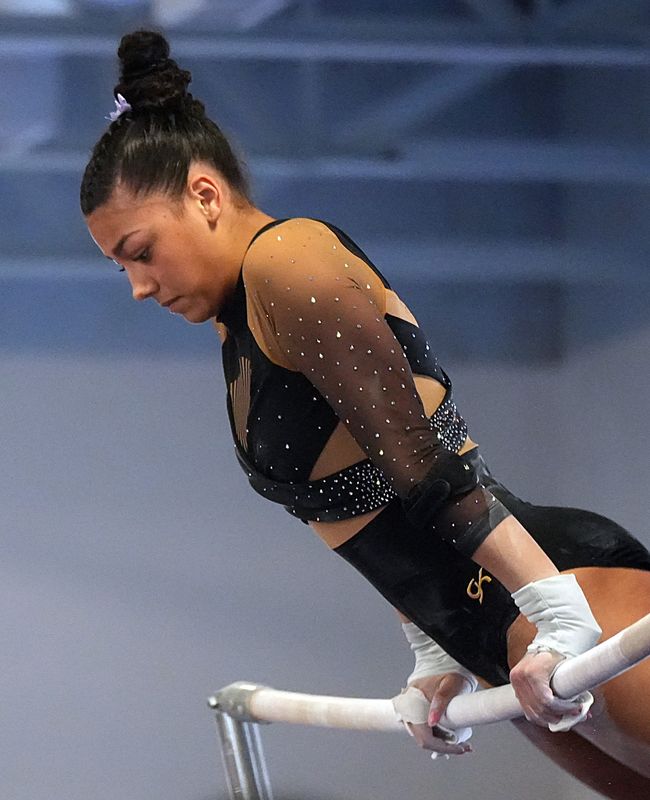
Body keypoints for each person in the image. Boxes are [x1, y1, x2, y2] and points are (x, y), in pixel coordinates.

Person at [81, 29, 650, 795]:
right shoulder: (236, 322)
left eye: (141, 251)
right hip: (487, 626)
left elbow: (419, 462)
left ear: (205, 196)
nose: (138, 287)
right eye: (120, 267)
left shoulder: (290, 263)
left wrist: (558, 609)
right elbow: (361, 513)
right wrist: (432, 648)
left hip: (551, 584)